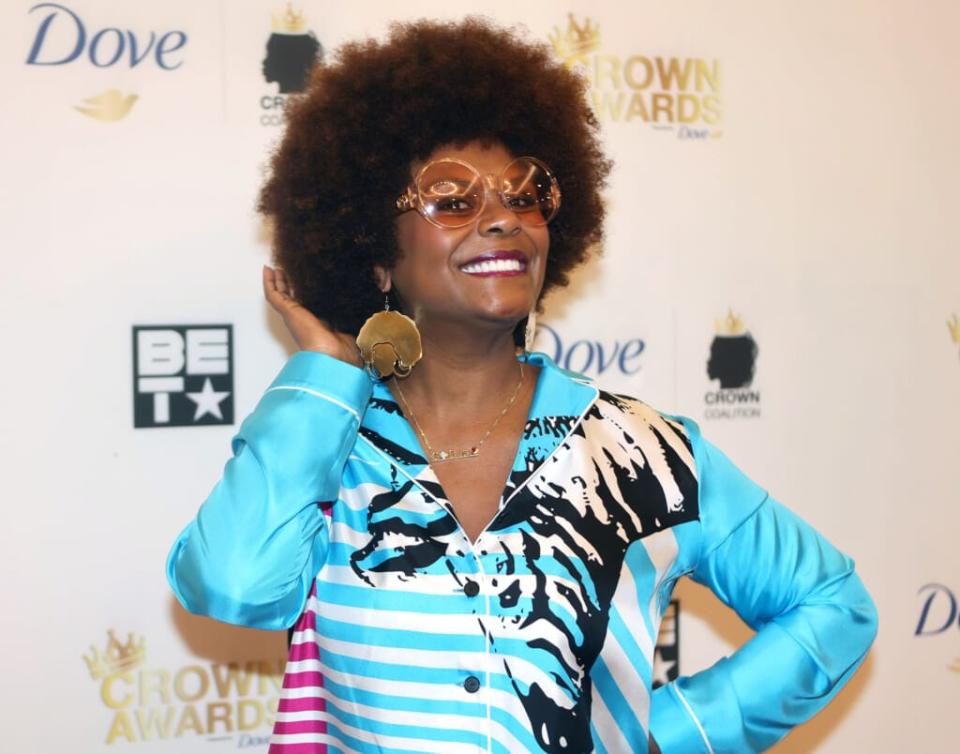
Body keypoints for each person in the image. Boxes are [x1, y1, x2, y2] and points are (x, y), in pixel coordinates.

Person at [166, 17, 878, 754]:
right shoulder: (327, 445)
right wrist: (322, 377)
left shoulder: (644, 451)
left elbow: (833, 605)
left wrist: (661, 736)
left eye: (525, 193)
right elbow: (236, 588)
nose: (502, 218)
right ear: (375, 253)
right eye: (451, 197)